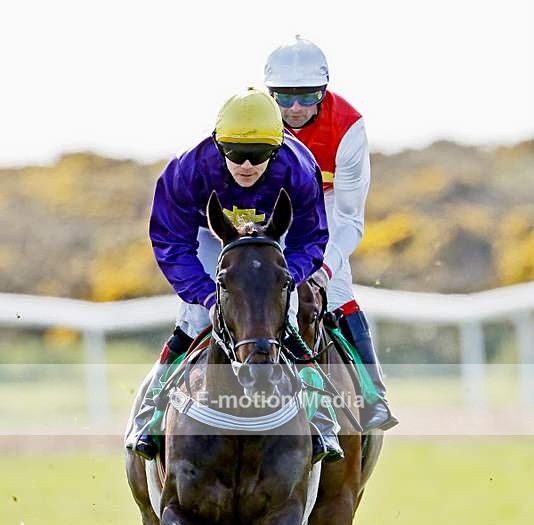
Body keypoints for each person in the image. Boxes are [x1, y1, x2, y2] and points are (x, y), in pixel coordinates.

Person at [126, 88, 342, 462]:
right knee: (194, 317)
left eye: (258, 155)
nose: (245, 165)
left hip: (274, 236)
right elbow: (170, 243)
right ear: (216, 144)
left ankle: (319, 415)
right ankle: (152, 410)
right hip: (212, 234)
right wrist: (207, 295)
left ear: (277, 148)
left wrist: (281, 281)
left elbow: (310, 237)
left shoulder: (299, 168)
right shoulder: (187, 170)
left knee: (285, 315)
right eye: (233, 152)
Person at [265, 36, 398, 431]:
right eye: (284, 98)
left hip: (325, 205)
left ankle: (372, 394)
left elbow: (350, 219)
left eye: (307, 96)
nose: (295, 109)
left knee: (338, 290)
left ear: (325, 90)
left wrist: (325, 268)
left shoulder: (348, 126)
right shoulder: (253, 118)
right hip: (268, 210)